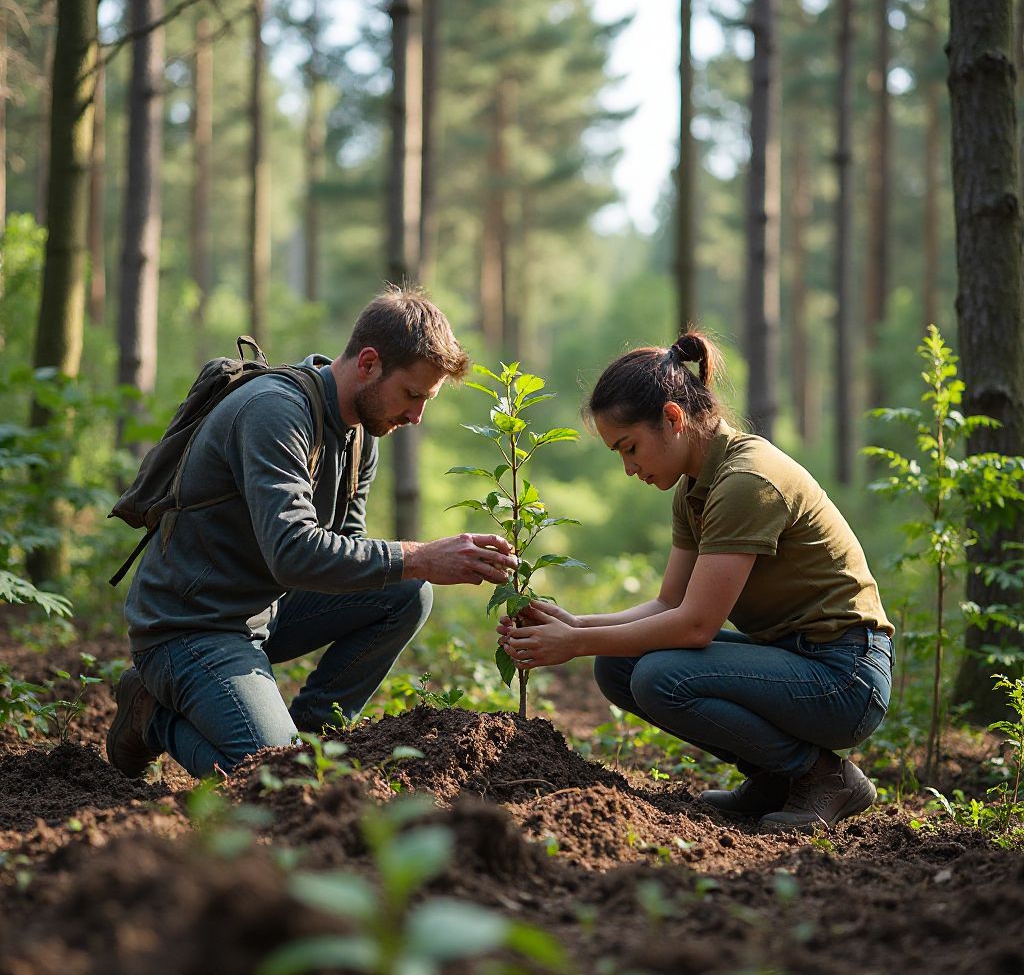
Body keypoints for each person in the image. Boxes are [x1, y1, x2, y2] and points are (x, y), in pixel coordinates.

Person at [107, 288, 519, 778]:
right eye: (412, 395)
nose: (415, 417)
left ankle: (310, 740)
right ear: (368, 363)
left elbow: (348, 552)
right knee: (270, 782)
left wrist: (415, 566)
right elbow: (292, 553)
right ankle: (149, 715)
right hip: (189, 625)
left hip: (264, 611)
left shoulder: (363, 433)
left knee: (407, 593)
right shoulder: (274, 411)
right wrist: (420, 555)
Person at [498, 331, 893, 832]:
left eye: (630, 447)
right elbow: (669, 603)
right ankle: (776, 777)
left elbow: (694, 627)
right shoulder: (694, 489)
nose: (628, 468)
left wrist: (574, 642)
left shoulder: (746, 480)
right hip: (798, 661)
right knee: (618, 668)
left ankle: (823, 776)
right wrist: (577, 623)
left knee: (660, 676)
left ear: (672, 418)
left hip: (846, 675)